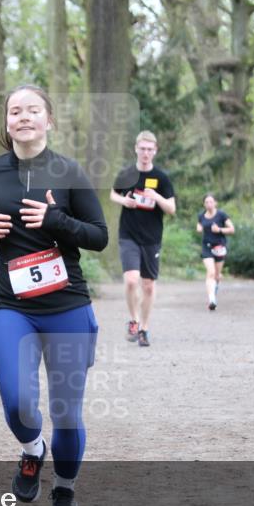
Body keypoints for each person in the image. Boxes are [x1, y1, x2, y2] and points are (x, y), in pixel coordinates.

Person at [0, 85, 108, 506]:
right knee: (18, 403)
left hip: (67, 307)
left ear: (49, 120)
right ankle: (32, 449)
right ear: (7, 122)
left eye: (32, 110)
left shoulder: (69, 172)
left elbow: (98, 236)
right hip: (13, 307)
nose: (23, 117)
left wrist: (56, 220)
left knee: (66, 413)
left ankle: (64, 488)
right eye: (15, 111)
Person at [109, 131, 176, 347]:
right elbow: (113, 194)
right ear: (136, 149)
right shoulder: (127, 174)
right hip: (128, 235)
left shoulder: (161, 178)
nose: (146, 153)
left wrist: (157, 197)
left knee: (148, 286)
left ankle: (144, 329)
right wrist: (124, 201)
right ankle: (134, 320)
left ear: (155, 151)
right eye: (142, 149)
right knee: (131, 280)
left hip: (151, 238)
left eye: (150, 149)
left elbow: (172, 209)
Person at [196, 193, 235, 310]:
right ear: (204, 204)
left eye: (211, 202)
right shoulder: (201, 215)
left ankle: (215, 287)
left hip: (219, 247)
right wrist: (199, 228)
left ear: (215, 203)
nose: (209, 204)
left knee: (217, 275)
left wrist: (219, 230)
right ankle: (212, 299)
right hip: (206, 247)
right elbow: (199, 224)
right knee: (211, 273)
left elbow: (232, 229)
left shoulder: (221, 215)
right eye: (206, 202)